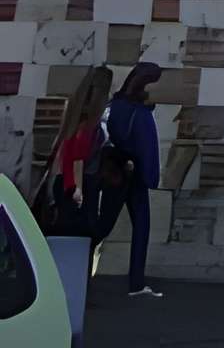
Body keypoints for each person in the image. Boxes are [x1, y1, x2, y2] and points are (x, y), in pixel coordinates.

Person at [90, 62, 163, 298]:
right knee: (140, 226)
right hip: (134, 175)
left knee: (103, 225)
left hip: (112, 171)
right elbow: (147, 149)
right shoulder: (139, 113)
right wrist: (150, 177)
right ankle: (136, 282)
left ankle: (77, 269)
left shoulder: (113, 106)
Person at [35, 63, 111, 237]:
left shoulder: (74, 120)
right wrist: (76, 189)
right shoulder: (86, 126)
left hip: (68, 183)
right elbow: (77, 159)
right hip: (75, 185)